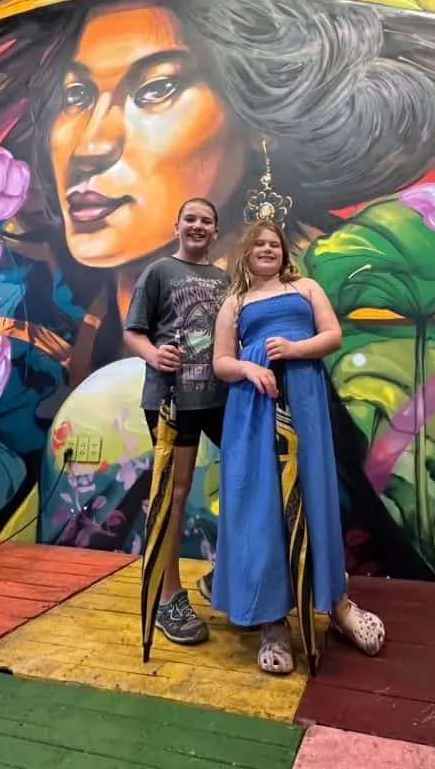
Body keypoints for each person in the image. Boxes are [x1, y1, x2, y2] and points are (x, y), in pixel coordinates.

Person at [211, 219, 386, 673]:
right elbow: (222, 362)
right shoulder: (235, 301)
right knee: (260, 504)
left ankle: (338, 604)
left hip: (305, 400)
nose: (268, 249)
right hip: (254, 406)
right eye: (259, 244)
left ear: (284, 252)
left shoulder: (306, 287)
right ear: (246, 253)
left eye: (275, 244)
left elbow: (333, 336)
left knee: (316, 498)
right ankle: (272, 621)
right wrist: (250, 369)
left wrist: (294, 348)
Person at [124, 196, 229, 644]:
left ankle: (222, 576)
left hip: (219, 398)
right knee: (175, 492)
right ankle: (169, 597)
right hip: (173, 399)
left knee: (254, 475)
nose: (198, 226)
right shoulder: (159, 272)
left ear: (215, 230)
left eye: (206, 220)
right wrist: (154, 353)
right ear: (177, 224)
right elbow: (133, 331)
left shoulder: (225, 279)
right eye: (191, 218)